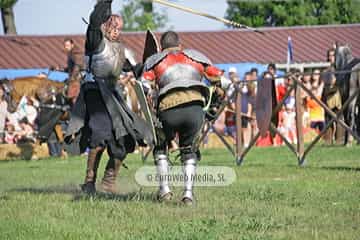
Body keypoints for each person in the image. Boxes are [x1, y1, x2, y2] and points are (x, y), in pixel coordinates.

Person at [65, 0, 152, 194]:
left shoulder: (121, 50)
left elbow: (135, 69)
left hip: (113, 95)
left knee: (127, 138)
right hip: (94, 91)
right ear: (105, 25)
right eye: (113, 26)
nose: (116, 31)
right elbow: (96, 18)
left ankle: (108, 182)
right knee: (101, 132)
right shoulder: (95, 40)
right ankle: (89, 182)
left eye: (119, 28)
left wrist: (149, 62)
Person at [142, 31, 226, 205]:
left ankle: (165, 190)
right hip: (194, 111)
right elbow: (219, 78)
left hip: (168, 111)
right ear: (180, 45)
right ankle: (188, 194)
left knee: (160, 146)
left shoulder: (155, 61)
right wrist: (215, 102)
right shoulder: (196, 58)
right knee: (188, 150)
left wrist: (151, 95)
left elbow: (143, 85)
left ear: (162, 47)